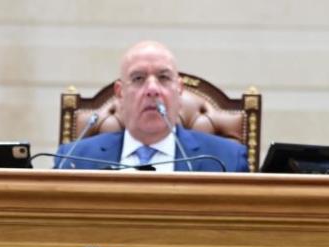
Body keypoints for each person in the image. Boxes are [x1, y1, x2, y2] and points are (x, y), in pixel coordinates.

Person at [54, 41, 249, 173]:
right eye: (138, 78)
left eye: (163, 78)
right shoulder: (74, 159)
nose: (152, 89)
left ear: (179, 90)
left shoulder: (226, 160)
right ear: (120, 94)